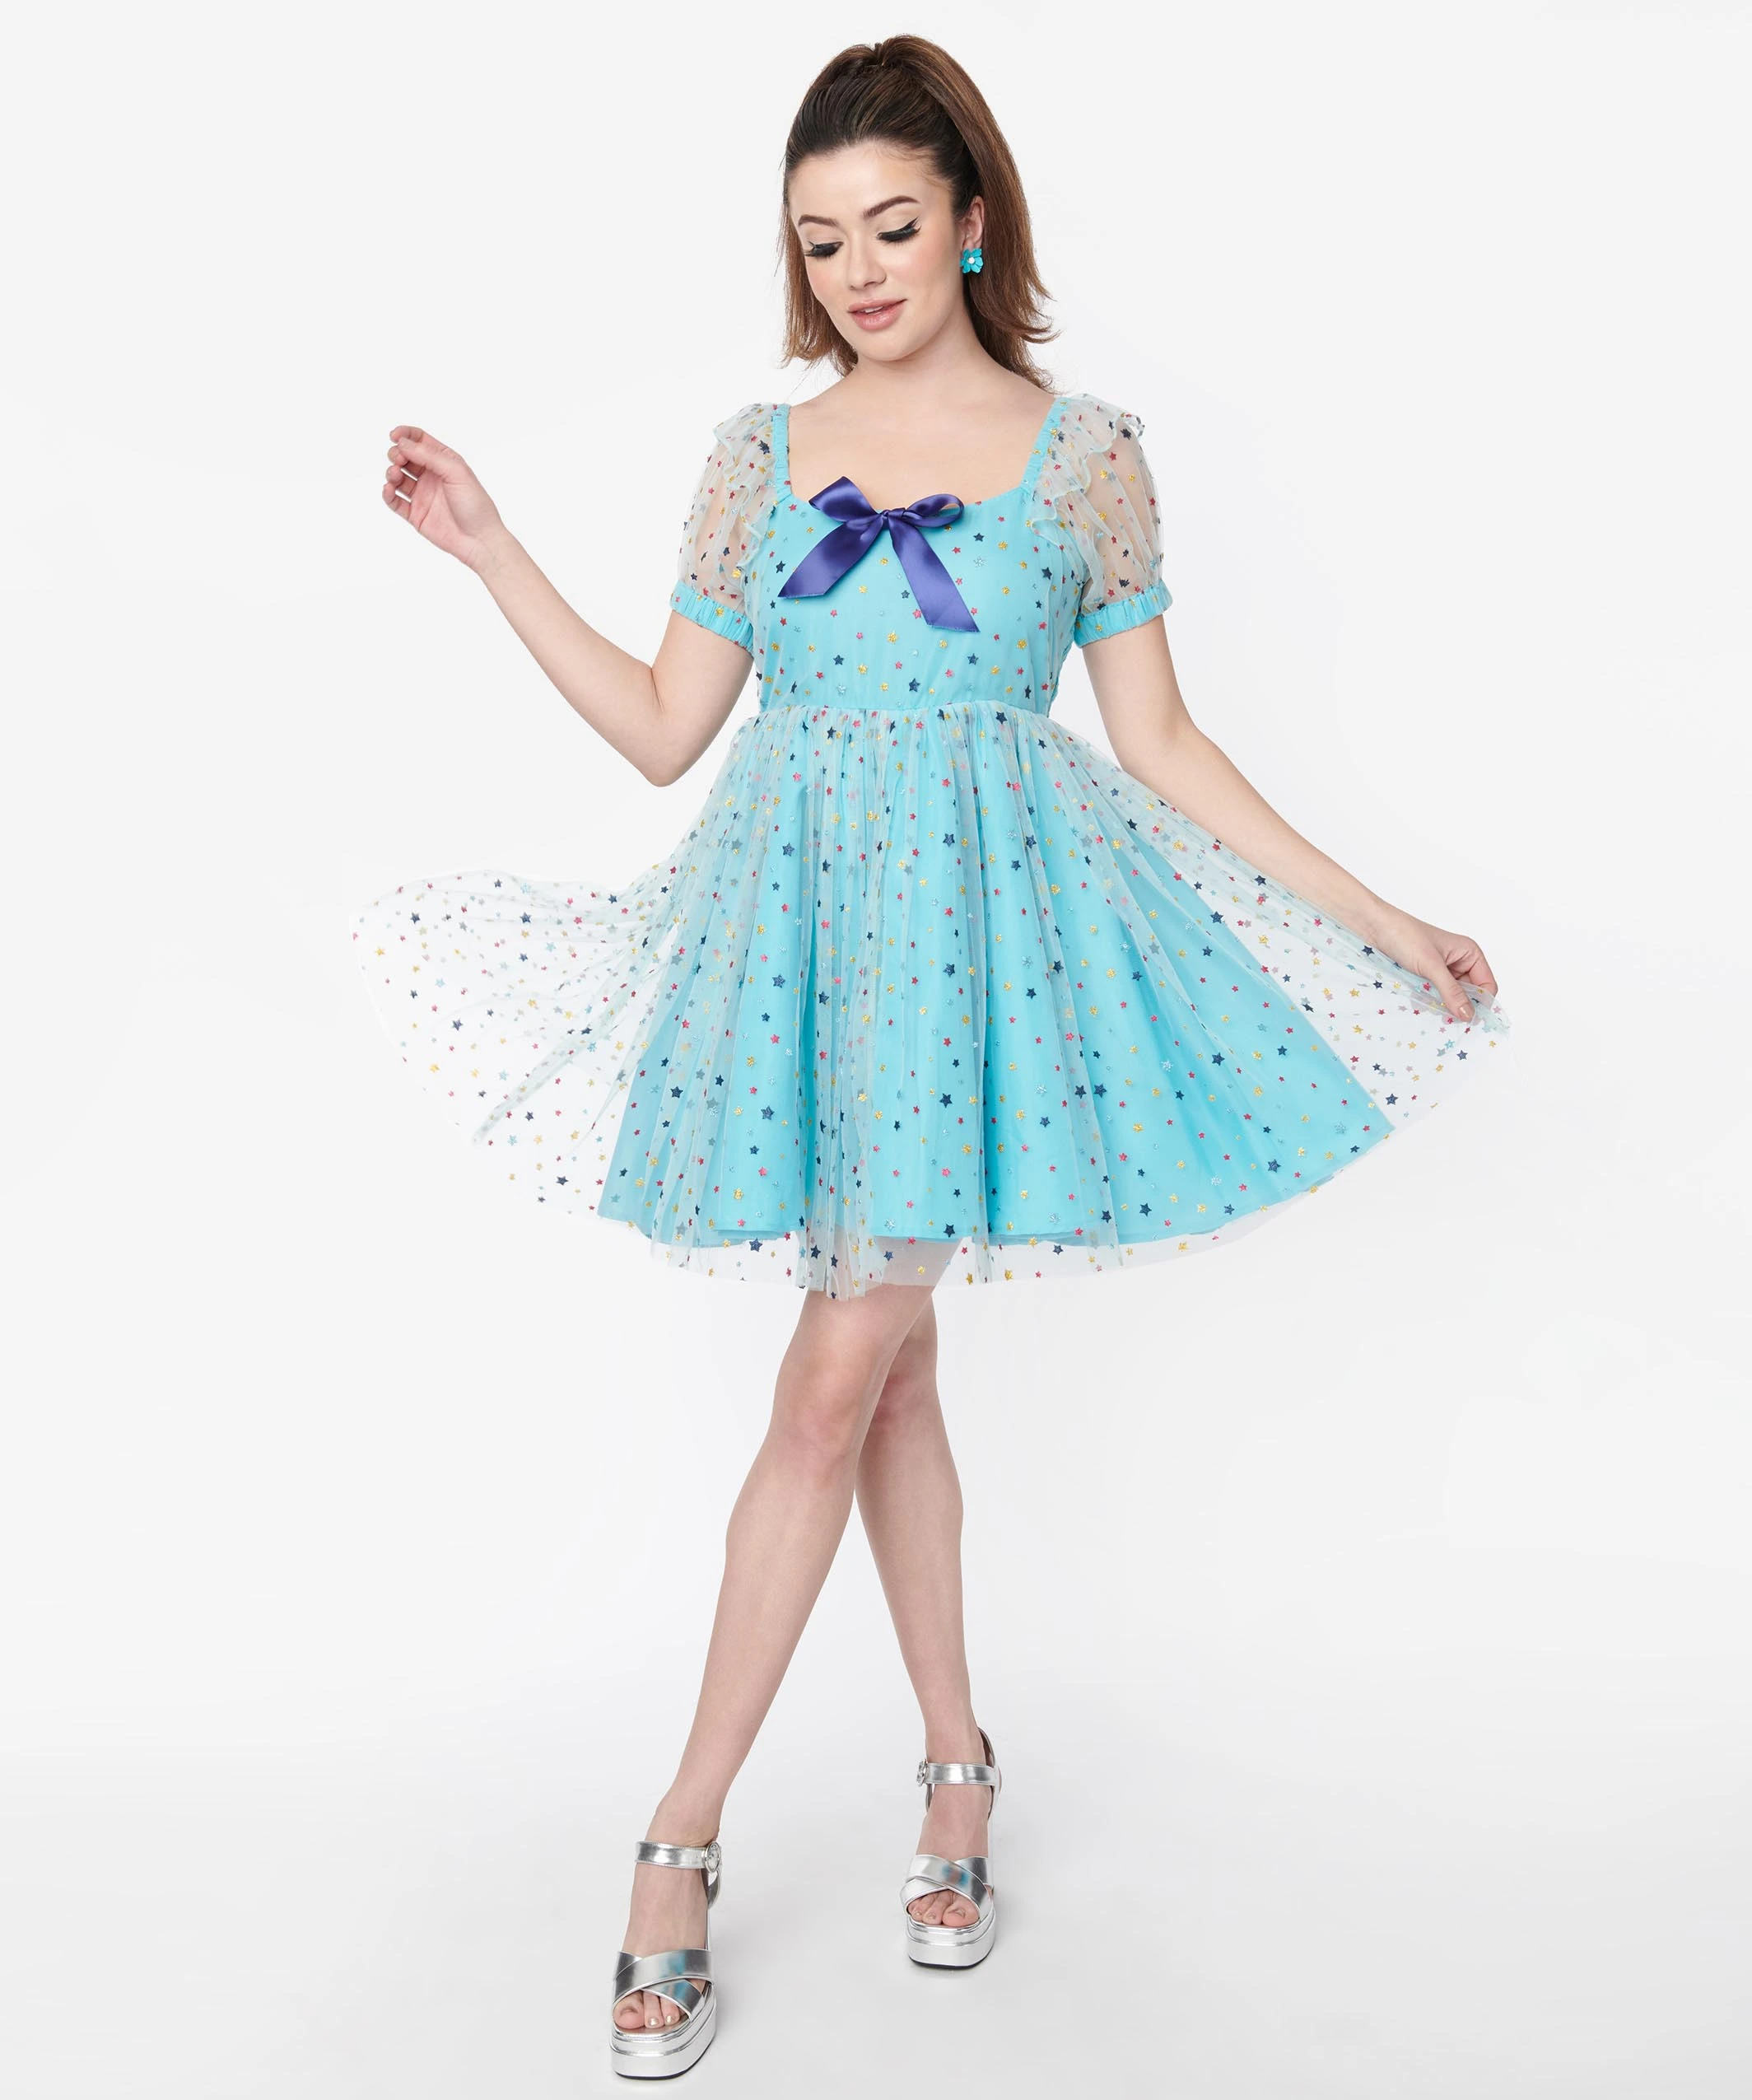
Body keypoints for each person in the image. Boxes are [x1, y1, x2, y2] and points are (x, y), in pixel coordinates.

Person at [350, 32, 1509, 2079]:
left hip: (979, 977)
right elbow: (664, 729)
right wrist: (495, 549)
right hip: (798, 961)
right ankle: (959, 1772)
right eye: (823, 241)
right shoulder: (755, 454)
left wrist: (1381, 917)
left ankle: (675, 1842)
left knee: (831, 1378)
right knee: (884, 1381)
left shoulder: (1086, 459)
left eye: (894, 225)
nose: (862, 269)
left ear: (974, 220)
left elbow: (1162, 744)